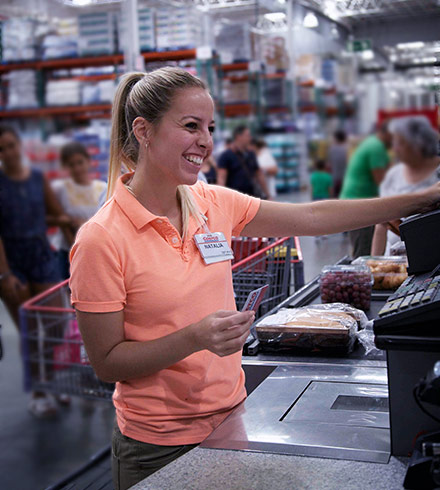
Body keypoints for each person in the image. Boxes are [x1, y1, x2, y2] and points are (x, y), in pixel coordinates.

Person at [68, 67, 440, 490]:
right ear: (144, 131)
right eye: (190, 126)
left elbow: (311, 216)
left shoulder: (209, 203)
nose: (206, 141)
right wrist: (193, 338)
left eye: (209, 127)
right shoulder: (101, 239)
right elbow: (106, 362)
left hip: (232, 420)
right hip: (157, 447)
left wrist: (424, 197)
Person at [0, 125, 73, 418]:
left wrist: (67, 220)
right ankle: (40, 391)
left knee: (55, 325)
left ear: (20, 145)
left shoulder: (37, 179)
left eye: (10, 145)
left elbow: (55, 212)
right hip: (11, 262)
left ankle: (50, 379)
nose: (7, 152)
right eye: (1, 148)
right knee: (29, 332)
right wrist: (5, 275)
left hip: (41, 254)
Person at [371, 116, 440, 256]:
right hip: (396, 260)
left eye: (401, 143)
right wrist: (374, 264)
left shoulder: (437, 173)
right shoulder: (394, 175)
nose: (395, 149)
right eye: (394, 142)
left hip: (430, 259)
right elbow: (381, 223)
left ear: (418, 144)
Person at [51, 142, 107, 279]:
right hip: (67, 251)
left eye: (80, 162)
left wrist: (83, 223)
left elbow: (106, 220)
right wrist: (68, 222)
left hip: (94, 252)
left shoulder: (102, 188)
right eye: (71, 164)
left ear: (88, 162)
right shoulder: (60, 188)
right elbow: (54, 217)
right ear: (65, 167)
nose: (77, 168)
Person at [340, 121, 392, 258]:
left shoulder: (372, 143)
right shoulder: (376, 147)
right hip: (360, 204)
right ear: (388, 133)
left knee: (363, 248)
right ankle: (363, 278)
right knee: (364, 253)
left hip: (357, 201)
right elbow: (382, 181)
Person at [217, 125, 271, 199]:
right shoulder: (226, 155)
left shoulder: (251, 154)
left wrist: (267, 194)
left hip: (252, 196)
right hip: (234, 198)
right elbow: (221, 178)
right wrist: (221, 197)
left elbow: (259, 174)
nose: (250, 138)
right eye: (247, 135)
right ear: (238, 136)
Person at [327, 129, 348, 197]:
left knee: (335, 198)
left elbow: (329, 164)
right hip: (345, 177)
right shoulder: (347, 149)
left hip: (334, 178)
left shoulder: (332, 149)